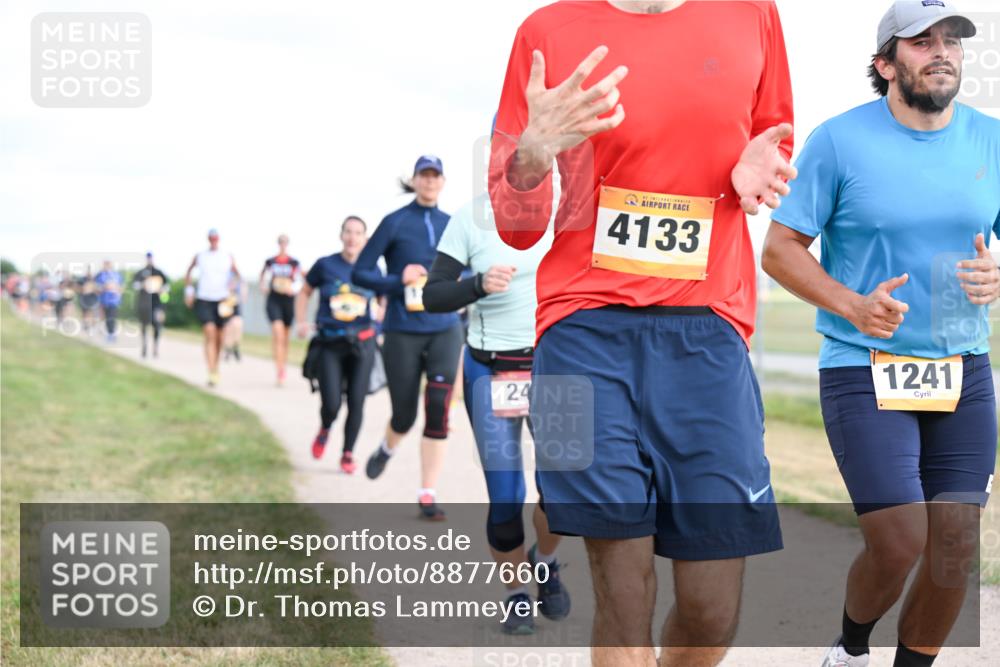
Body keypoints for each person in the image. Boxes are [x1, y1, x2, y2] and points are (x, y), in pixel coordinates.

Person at [489, 1, 795, 664]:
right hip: (578, 334)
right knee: (622, 592)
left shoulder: (752, 14)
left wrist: (755, 169)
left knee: (712, 609)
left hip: (709, 332)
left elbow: (777, 132)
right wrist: (533, 155)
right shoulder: (545, 33)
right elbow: (516, 225)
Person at [761, 3, 997, 666]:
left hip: (963, 367)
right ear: (886, 62)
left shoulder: (992, 139)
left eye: (951, 39)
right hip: (865, 364)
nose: (942, 51)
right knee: (899, 539)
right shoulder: (838, 141)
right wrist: (851, 305)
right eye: (921, 42)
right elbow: (779, 249)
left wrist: (996, 273)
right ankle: (852, 646)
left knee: (953, 546)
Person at [423, 184, 569, 635]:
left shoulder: (571, 207)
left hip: (555, 369)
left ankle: (543, 563)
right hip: (492, 371)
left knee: (564, 493)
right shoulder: (471, 218)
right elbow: (434, 295)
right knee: (506, 499)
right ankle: (516, 596)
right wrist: (478, 285)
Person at [352, 155, 464, 521]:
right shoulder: (395, 222)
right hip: (403, 330)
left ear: (443, 182)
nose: (430, 182)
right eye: (424, 175)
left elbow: (474, 266)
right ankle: (387, 446)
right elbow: (361, 273)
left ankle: (427, 493)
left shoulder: (453, 224)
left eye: (436, 176)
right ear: (414, 180)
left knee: (438, 406)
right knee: (405, 415)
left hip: (445, 327)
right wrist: (397, 279)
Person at [298, 216, 379, 475]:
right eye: (348, 232)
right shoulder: (325, 265)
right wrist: (301, 321)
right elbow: (304, 292)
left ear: (365, 239)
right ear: (341, 235)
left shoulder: (373, 269)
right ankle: (325, 427)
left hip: (362, 344)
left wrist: (381, 326)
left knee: (357, 401)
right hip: (330, 343)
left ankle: (347, 454)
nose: (353, 237)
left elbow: (384, 299)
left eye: (358, 233)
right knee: (332, 403)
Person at [184, 229, 241, 386]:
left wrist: (233, 287)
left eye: (216, 238)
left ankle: (216, 367)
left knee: (220, 337)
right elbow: (188, 272)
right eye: (211, 238)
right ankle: (211, 370)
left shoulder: (227, 256)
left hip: (222, 299)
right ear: (208, 239)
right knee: (209, 332)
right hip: (204, 298)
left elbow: (237, 275)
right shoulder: (200, 256)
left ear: (219, 239)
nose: (213, 241)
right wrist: (189, 291)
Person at [261, 235, 301, 386]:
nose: (283, 245)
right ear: (278, 244)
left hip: (288, 301)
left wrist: (293, 288)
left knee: (285, 337)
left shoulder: (294, 262)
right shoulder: (270, 262)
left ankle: (283, 365)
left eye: (285, 243)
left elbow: (299, 280)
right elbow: (264, 278)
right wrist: (264, 285)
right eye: (281, 243)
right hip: (274, 299)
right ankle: (279, 370)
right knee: (277, 333)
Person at [132, 252, 170, 358]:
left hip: (157, 304)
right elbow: (134, 285)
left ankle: (155, 347)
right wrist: (143, 285)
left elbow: (166, 287)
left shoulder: (159, 272)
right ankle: (144, 346)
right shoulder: (140, 273)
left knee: (157, 325)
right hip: (144, 304)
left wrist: (162, 291)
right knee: (144, 326)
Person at [94, 260, 124, 343]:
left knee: (112, 317)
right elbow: (96, 287)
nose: (106, 267)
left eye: (108, 265)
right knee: (107, 317)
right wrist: (104, 287)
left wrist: (119, 294)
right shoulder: (100, 275)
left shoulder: (117, 275)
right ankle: (109, 332)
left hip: (114, 300)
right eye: (105, 265)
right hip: (104, 300)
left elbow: (121, 287)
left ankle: (111, 333)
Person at [221, 275, 246, 362]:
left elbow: (243, 296)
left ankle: (236, 347)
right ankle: (228, 349)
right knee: (227, 329)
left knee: (238, 325)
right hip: (226, 311)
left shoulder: (237, 293)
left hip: (235, 311)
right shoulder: (223, 292)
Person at [77, 269, 100, 333]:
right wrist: (84, 290)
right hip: (84, 299)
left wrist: (93, 290)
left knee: (93, 313)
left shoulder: (96, 282)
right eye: (88, 274)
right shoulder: (82, 281)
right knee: (86, 313)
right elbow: (79, 289)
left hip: (93, 300)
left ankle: (92, 326)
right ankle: (86, 325)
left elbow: (98, 291)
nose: (90, 275)